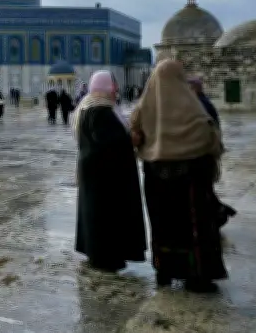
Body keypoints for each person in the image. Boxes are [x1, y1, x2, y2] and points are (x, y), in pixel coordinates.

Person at [130, 59, 227, 292]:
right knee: (193, 227)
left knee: (163, 225)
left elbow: (135, 135)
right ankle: (196, 275)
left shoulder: (144, 106)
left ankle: (164, 269)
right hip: (191, 178)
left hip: (155, 176)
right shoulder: (193, 107)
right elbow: (209, 138)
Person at [73, 71, 147, 272]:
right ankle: (105, 257)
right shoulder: (100, 110)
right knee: (105, 217)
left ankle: (101, 254)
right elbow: (108, 142)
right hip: (104, 179)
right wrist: (131, 140)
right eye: (113, 85)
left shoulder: (91, 107)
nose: (116, 89)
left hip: (97, 175)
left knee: (98, 216)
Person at [188, 77, 237, 227]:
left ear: (194, 89)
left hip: (204, 153)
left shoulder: (200, 105)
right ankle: (219, 212)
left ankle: (218, 214)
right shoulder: (203, 102)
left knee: (203, 190)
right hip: (207, 152)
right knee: (204, 189)